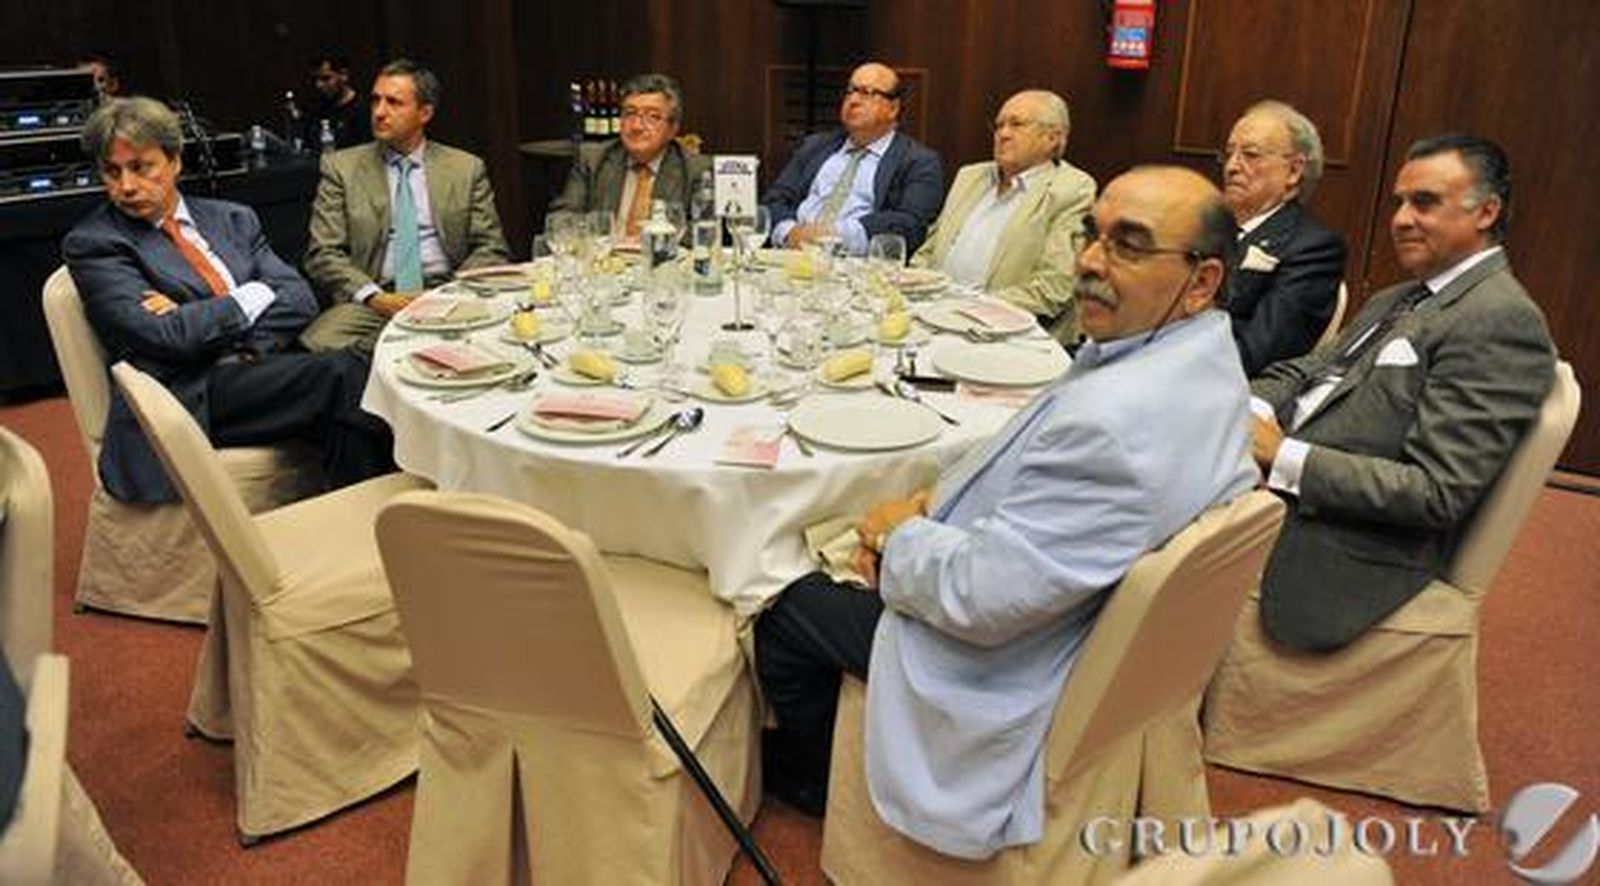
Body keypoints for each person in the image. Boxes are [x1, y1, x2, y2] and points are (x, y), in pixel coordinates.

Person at [756, 166, 1257, 859]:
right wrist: (930, 507)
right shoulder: (1202, 357)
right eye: (1093, 235)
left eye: (1128, 246)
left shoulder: (1113, 426)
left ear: (1201, 281)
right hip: (1071, 607)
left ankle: (811, 784)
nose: (1088, 260)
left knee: (781, 604)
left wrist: (898, 540)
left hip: (1011, 662)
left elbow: (983, 600)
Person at [1250, 134, 1555, 651]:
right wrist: (1250, 409)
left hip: (1332, 540)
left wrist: (1282, 455)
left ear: (1486, 212)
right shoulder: (1402, 294)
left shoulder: (1500, 319)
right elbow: (1310, 370)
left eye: (1425, 202)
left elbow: (1436, 492)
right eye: (1400, 202)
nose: (1401, 218)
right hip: (1265, 478)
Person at [62, 97, 394, 505]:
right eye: (112, 172)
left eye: (140, 167)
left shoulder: (232, 218)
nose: (126, 186)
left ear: (174, 161)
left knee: (349, 410)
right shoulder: (95, 243)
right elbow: (167, 337)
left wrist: (218, 324)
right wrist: (254, 294)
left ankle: (363, 521)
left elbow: (299, 299)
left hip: (254, 366)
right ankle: (392, 521)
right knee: (342, 373)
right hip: (187, 392)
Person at [301, 58, 510, 352]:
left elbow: (491, 247)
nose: (379, 112)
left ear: (425, 113)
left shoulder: (465, 168)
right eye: (376, 101)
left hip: (449, 294)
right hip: (374, 299)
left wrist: (450, 294)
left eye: (394, 103)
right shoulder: (341, 169)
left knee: (503, 337)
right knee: (319, 342)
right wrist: (374, 297)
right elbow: (323, 253)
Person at [910, 89, 1096, 342]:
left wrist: (967, 308)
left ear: (1053, 138)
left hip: (1008, 334)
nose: (1003, 134)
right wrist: (915, 290)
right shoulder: (970, 176)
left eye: (1017, 124)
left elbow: (1055, 287)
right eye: (998, 126)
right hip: (931, 318)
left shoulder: (1071, 188)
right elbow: (928, 251)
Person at [1218, 100, 1347, 375]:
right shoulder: (1205, 226)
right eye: (1229, 154)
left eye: (1250, 155)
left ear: (1294, 171)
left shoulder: (1314, 249)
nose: (1231, 166)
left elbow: (1258, 353)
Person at [762, 61, 943, 255]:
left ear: (893, 108)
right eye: (850, 91)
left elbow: (910, 224)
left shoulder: (919, 161)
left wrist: (833, 236)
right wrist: (789, 232)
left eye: (867, 93)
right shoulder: (815, 146)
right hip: (792, 257)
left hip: (859, 269)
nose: (853, 100)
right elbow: (774, 200)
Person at [549, 72, 710, 238]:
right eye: (630, 113)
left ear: (672, 129)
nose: (637, 127)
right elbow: (561, 219)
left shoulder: (695, 169)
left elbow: (704, 231)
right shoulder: (593, 159)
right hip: (604, 259)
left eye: (652, 117)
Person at [304, 54, 371, 150]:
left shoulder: (363, 110)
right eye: (315, 79)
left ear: (344, 75)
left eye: (326, 78)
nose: (318, 85)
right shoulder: (316, 111)